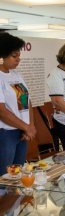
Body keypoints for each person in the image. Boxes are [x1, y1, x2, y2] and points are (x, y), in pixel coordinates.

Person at [0, 33, 36, 175]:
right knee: (5, 176)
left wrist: (30, 126)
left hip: (22, 132)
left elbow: (27, 101)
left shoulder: (16, 75)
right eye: (14, 56)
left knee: (17, 174)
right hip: (5, 133)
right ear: (2, 56)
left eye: (19, 55)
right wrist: (26, 127)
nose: (18, 59)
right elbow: (2, 111)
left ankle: (15, 198)